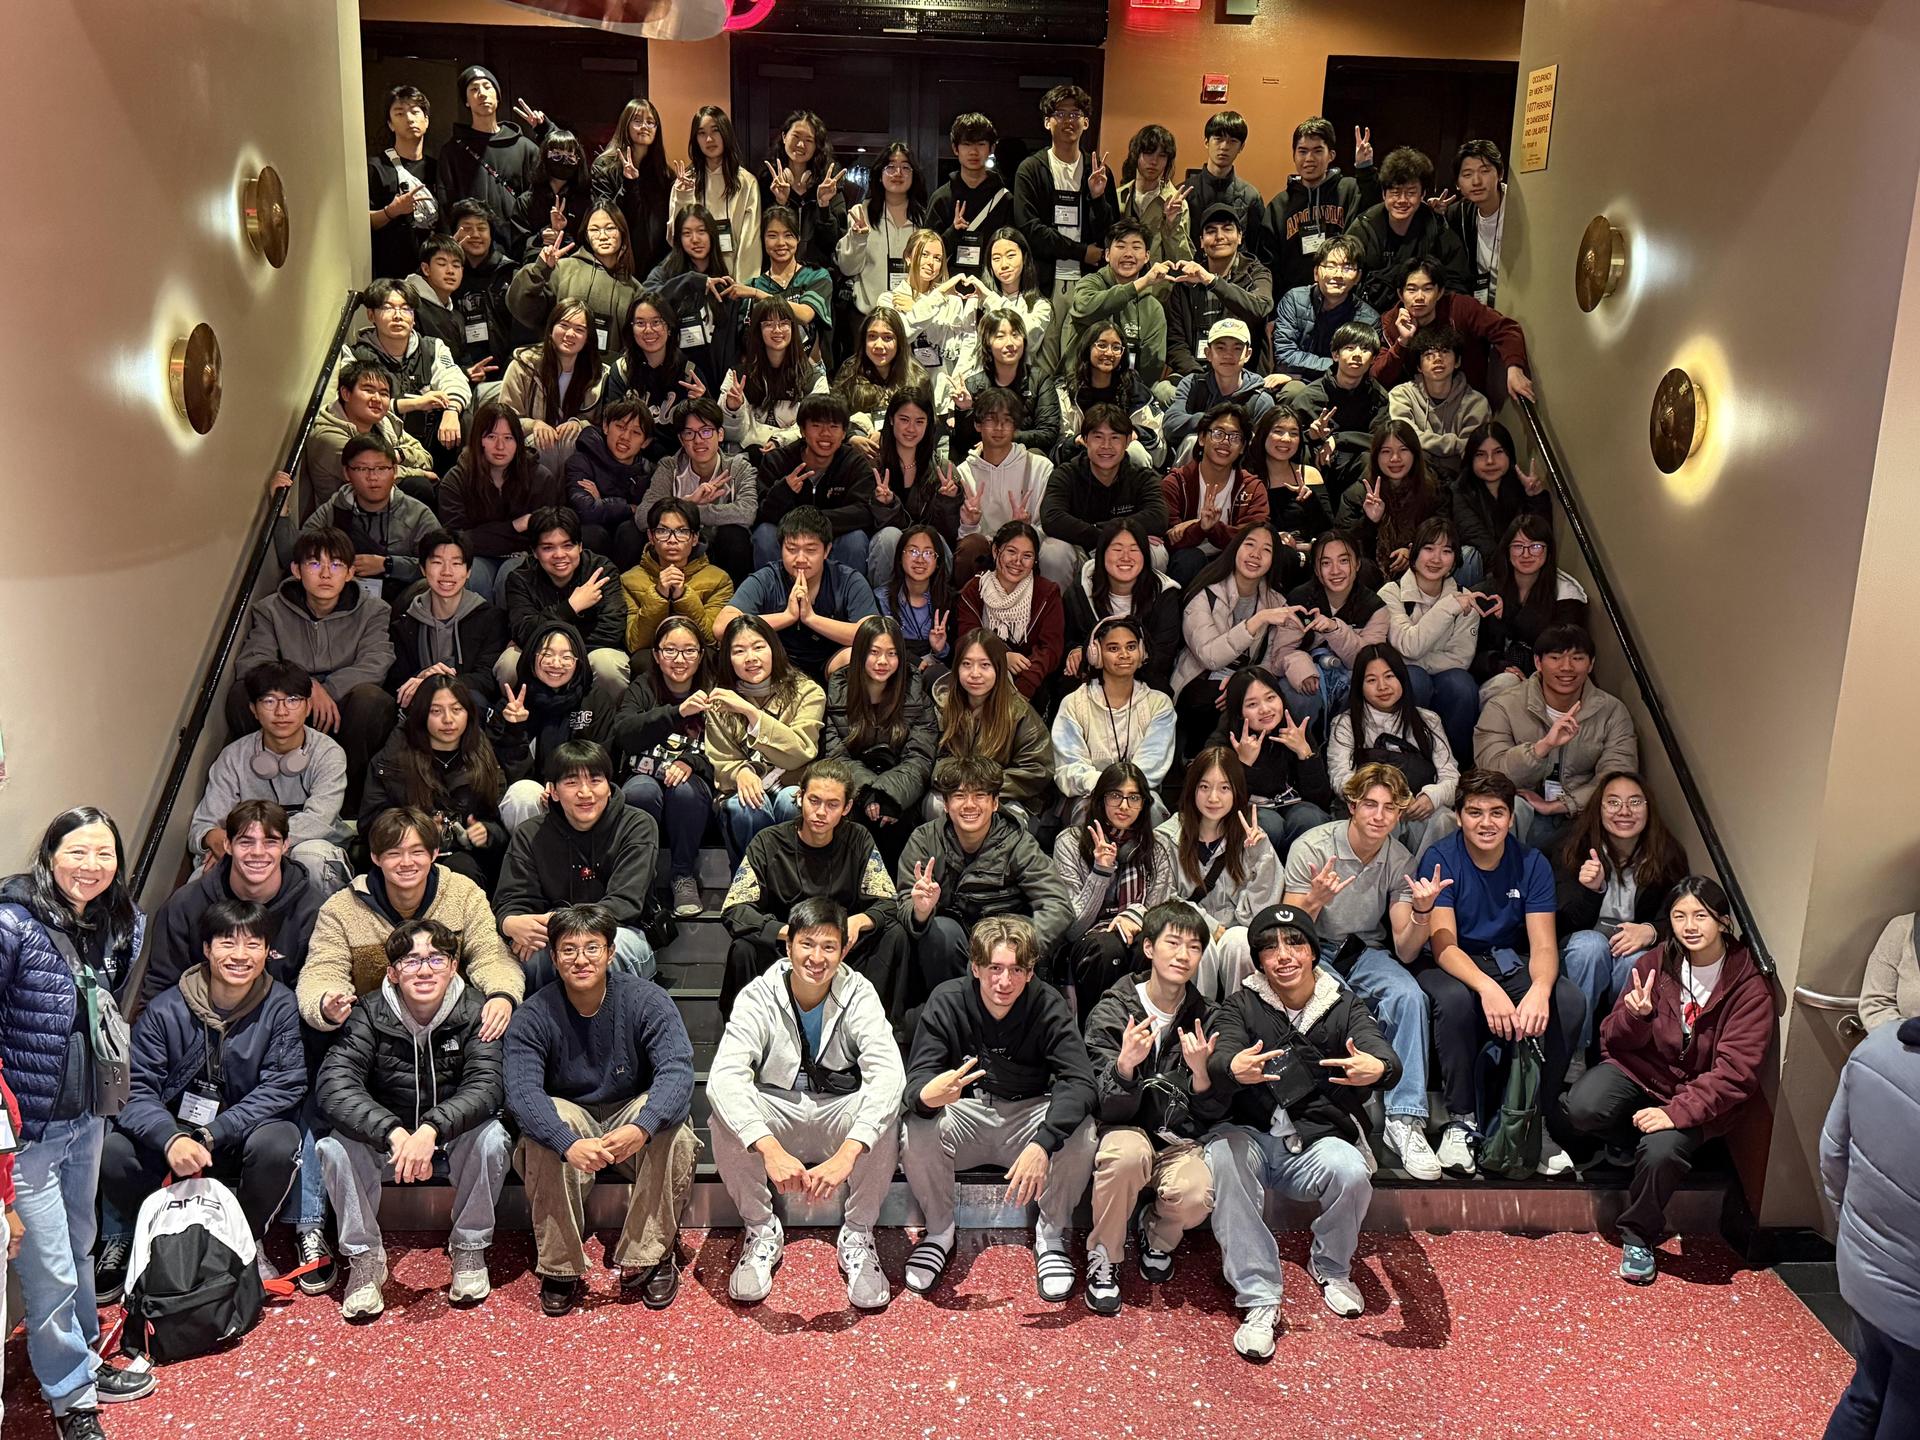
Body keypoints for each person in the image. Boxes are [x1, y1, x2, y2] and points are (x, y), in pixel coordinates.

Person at [0, 807, 158, 1429]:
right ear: (49, 854)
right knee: (50, 1266)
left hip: (86, 1115)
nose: (91, 867)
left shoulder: (120, 926)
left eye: (104, 854)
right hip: (28, 1130)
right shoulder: (12, 923)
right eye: (77, 853)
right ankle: (72, 1397)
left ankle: (83, 1360)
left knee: (82, 1245)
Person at [1203, 902, 1400, 1359]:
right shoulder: (1241, 1004)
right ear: (1259, 960)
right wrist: (1233, 1066)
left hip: (1311, 1142)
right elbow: (1220, 1055)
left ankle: (1331, 1265)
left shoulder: (1342, 1002)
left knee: (1350, 1169)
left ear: (1313, 951)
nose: (1283, 955)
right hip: (1250, 1135)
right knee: (1224, 1158)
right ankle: (1259, 1296)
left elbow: (1381, 1053)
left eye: (1294, 943)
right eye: (1270, 948)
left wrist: (1379, 1067)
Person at [1569, 878, 1771, 1284]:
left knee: (1662, 1152)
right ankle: (1630, 1148)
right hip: (1642, 1073)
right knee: (1582, 1106)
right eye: (1679, 916)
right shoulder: (1654, 964)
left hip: (1694, 1093)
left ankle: (1638, 1233)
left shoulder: (1748, 985)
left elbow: (1736, 1074)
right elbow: (1613, 1039)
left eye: (1701, 915)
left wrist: (1674, 1114)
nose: (1689, 925)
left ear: (1723, 921)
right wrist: (1636, 1016)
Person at [708, 897, 906, 1310]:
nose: (817, 958)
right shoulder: (758, 994)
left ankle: (857, 1233)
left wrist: (850, 1152)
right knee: (725, 1114)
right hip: (779, 1107)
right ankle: (761, 1230)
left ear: (844, 950)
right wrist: (769, 1147)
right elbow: (725, 1076)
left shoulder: (859, 992)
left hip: (837, 1108)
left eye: (829, 947)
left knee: (885, 1111)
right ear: (788, 945)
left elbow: (888, 1074)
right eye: (807, 944)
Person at [504, 902, 697, 1316]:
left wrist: (643, 1127)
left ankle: (652, 1254)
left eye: (592, 948)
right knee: (543, 1127)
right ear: (553, 958)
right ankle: (559, 1267)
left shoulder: (648, 1000)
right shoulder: (535, 1013)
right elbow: (521, 1091)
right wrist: (565, 1142)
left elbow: (678, 1071)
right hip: (574, 1118)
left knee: (675, 1128)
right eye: (568, 950)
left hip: (629, 1114)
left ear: (610, 953)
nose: (581, 959)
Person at [315, 918, 512, 1319]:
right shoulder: (367, 1013)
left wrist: (432, 1128)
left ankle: (470, 1248)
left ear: (453, 966)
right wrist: (392, 1131)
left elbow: (488, 1086)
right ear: (392, 972)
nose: (424, 970)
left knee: (494, 1137)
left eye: (436, 959)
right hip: (391, 1138)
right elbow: (335, 1087)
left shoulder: (477, 1011)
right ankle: (365, 1258)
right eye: (410, 961)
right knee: (334, 1146)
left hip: (451, 1134)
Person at [101, 900, 304, 1283]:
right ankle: (156, 1238)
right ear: (207, 949)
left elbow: (284, 1084)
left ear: (267, 951)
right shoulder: (166, 1010)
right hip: (177, 1139)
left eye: (253, 944)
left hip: (237, 1135)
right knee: (114, 1150)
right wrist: (171, 1138)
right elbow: (134, 1088)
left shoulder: (281, 1005)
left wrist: (215, 1132)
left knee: (281, 1141)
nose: (240, 955)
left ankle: (245, 1239)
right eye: (227, 943)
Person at [901, 915, 1099, 1301]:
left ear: (1029, 972)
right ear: (975, 967)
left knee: (1082, 1130)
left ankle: (1051, 1235)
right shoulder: (947, 999)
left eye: (1016, 970)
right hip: (968, 1112)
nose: (1004, 982)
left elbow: (1080, 1082)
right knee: (916, 1126)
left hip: (1028, 1116)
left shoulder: (1048, 1004)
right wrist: (929, 1095)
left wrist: (1043, 1143)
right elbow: (916, 1081)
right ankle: (940, 1232)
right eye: (994, 968)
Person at [1278, 763, 1446, 1179]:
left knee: (1409, 995)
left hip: (1365, 949)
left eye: (1390, 808)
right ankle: (1337, 1120)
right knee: (1331, 1003)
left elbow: (1406, 950)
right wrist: (1315, 899)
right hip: (1312, 948)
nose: (1379, 815)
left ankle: (1404, 1120)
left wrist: (1423, 913)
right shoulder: (1313, 847)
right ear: (1352, 805)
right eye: (1370, 804)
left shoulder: (1399, 857)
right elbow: (1286, 931)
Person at [1414, 768, 1584, 1179]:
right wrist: (1488, 988)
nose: (1486, 823)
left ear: (1511, 818)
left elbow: (1543, 945)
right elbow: (1444, 946)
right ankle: (1461, 1121)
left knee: (1567, 1000)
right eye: (1475, 812)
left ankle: (1534, 1122)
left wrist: (1540, 989)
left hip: (1509, 958)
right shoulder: (1440, 857)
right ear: (1458, 816)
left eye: (1497, 813)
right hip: (1454, 961)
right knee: (1456, 1001)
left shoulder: (1531, 862)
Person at [1079, 901, 1221, 1314]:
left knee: (1196, 1192)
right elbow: (1102, 1102)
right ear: (1148, 949)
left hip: (1178, 1139)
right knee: (1126, 1155)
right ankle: (1104, 1256)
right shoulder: (1113, 1008)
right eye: (1172, 943)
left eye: (1193, 947)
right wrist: (1124, 1066)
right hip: (1123, 1128)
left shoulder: (1206, 1016)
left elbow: (1213, 1110)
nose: (1182, 955)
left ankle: (1155, 1235)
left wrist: (1201, 1076)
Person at [298, 805, 523, 1038]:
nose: (406, 862)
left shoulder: (464, 893)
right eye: (394, 853)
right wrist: (326, 1002)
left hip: (451, 1030)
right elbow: (322, 970)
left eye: (417, 852)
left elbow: (491, 955)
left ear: (434, 853)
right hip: (371, 1033)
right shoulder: (340, 909)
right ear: (376, 857)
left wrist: (502, 995)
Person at [719, 759, 907, 1017]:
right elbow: (734, 909)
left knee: (894, 934)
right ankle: (743, 1034)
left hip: (841, 947)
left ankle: (877, 1027)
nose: (821, 812)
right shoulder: (768, 842)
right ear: (800, 797)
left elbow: (888, 901)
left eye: (832, 805)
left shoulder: (858, 838)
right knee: (744, 948)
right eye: (814, 801)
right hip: (786, 947)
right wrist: (791, 935)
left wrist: (858, 922)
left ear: (847, 807)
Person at [231, 530, 397, 813]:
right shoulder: (271, 609)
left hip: (343, 700)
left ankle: (350, 805)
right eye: (314, 564)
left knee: (372, 700)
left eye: (335, 565)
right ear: (296, 570)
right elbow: (253, 662)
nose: (325, 574)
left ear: (350, 573)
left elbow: (377, 660)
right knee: (239, 694)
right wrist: (305, 690)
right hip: (289, 696)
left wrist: (328, 690)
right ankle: (261, 794)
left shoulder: (374, 609)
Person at [1820, 1001, 1920, 1437]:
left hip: (1864, 1268)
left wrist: (1855, 1235)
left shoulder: (1877, 1046)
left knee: (1866, 1391)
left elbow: (1832, 1154)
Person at [897, 755, 1074, 997]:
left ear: (994, 803)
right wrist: (921, 910)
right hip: (952, 946)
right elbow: (905, 902)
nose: (969, 805)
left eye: (979, 795)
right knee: (941, 931)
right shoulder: (924, 839)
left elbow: (1058, 905)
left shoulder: (1017, 842)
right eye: (959, 796)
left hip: (1003, 940)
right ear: (946, 805)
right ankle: (949, 1010)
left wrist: (1017, 947)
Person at [496, 740, 660, 987]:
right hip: (554, 938)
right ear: (552, 791)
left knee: (599, 952)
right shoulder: (530, 834)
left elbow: (624, 903)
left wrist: (558, 923)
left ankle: (614, 1023)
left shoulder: (638, 825)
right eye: (572, 783)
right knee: (531, 955)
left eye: (595, 781)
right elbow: (513, 900)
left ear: (609, 786)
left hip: (621, 933)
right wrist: (510, 922)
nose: (585, 792)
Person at [1554, 772, 1689, 1057]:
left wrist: (1651, 931)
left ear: (1648, 808)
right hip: (1582, 942)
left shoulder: (1667, 855)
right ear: (1598, 809)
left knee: (1638, 960)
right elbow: (1560, 923)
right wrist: (1591, 891)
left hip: (1631, 944)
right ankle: (1573, 1052)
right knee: (1590, 947)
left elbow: (1682, 918)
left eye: (1635, 802)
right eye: (1613, 802)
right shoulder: (1571, 847)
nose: (1624, 811)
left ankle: (1618, 1050)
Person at [1474, 622, 1640, 852]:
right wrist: (1541, 748)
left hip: (1581, 813)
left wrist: (1560, 805)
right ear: (1538, 662)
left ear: (1591, 664)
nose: (1566, 667)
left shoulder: (1612, 711)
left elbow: (1617, 778)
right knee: (1499, 813)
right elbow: (1491, 771)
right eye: (1555, 657)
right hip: (1521, 808)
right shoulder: (1504, 706)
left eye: (1577, 658)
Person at [143, 800, 323, 1005]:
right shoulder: (185, 905)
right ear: (227, 845)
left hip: (277, 1029)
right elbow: (161, 989)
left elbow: (309, 1000)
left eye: (270, 842)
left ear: (285, 846)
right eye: (245, 842)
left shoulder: (313, 911)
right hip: (199, 1026)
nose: (257, 852)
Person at [194, 661, 351, 891]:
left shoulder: (328, 753)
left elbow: (319, 820)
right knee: (203, 874)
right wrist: (212, 836)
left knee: (313, 858)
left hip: (306, 846)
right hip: (246, 851)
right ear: (254, 710)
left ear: (308, 707)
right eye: (269, 701)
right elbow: (204, 824)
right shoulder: (233, 756)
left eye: (293, 700)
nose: (281, 712)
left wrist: (257, 844)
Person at [1053, 762, 1179, 1024]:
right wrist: (1100, 872)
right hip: (1089, 941)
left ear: (1145, 804)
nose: (1124, 806)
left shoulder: (1158, 848)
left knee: (1150, 946)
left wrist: (1134, 913)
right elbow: (1072, 928)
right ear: (1100, 799)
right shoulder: (1069, 842)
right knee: (1107, 948)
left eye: (1133, 798)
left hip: (1139, 932)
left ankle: (1149, 1035)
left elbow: (1162, 915)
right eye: (1115, 796)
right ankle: (1098, 1036)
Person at [360, 676, 512, 890]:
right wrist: (415, 829)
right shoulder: (393, 757)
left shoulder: (482, 754)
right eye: (436, 711)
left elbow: (499, 822)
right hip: (406, 855)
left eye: (456, 710)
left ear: (469, 714)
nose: (448, 720)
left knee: (462, 869)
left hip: (464, 857)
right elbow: (370, 822)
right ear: (422, 715)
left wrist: (487, 832)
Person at [609, 616, 715, 918]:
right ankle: (643, 877)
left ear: (701, 654)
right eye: (670, 651)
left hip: (693, 785)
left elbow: (729, 748)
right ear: (656, 655)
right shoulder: (643, 687)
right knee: (640, 792)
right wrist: (677, 712)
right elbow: (625, 734)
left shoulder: (714, 690)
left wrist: (691, 761)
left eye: (689, 651)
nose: (679, 659)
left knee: (684, 792)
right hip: (643, 774)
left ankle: (682, 875)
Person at [1170, 524, 1307, 756]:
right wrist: (1257, 620)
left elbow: (1271, 661)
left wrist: (1242, 682)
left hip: (1243, 681)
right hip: (1199, 678)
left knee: (1258, 702)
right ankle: (1198, 759)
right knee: (1217, 701)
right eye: (1250, 545)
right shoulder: (1205, 593)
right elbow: (1210, 657)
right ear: (1235, 549)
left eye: (1266, 550)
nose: (1255, 555)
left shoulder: (1276, 601)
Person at [1157, 748, 1283, 991]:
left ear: (1236, 792)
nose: (1213, 797)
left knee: (1240, 943)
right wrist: (1211, 928)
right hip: (1185, 928)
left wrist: (1261, 856)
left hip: (1236, 931)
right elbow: (1164, 898)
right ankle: (1195, 1018)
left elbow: (1262, 913)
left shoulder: (1253, 839)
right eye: (1204, 787)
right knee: (1196, 945)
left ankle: (1238, 1021)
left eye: (1224, 788)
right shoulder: (1166, 837)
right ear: (1192, 789)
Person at [704, 613, 828, 860]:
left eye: (758, 647)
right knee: (746, 806)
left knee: (788, 801)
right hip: (742, 792)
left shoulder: (807, 692)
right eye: (739, 651)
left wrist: (751, 713)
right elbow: (720, 760)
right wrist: (741, 772)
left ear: (774, 649)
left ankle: (793, 882)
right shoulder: (720, 699)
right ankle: (750, 885)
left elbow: (800, 752)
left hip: (792, 782)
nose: (750, 658)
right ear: (728, 659)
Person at [819, 617, 937, 867]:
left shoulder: (915, 694)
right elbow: (836, 756)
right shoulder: (838, 693)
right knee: (850, 816)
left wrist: (888, 795)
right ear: (860, 653)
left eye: (892, 654)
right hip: (856, 791)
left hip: (903, 792)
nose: (883, 662)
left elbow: (920, 757)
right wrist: (869, 794)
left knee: (899, 820)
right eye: (874, 652)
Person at [1326, 644, 1459, 858]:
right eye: (1371, 680)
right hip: (1370, 808)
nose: (1382, 686)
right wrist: (1383, 802)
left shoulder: (1428, 721)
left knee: (1444, 818)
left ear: (1402, 678)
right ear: (1359, 686)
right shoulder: (1345, 724)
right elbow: (1340, 777)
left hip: (1417, 808)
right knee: (1382, 820)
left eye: (1389, 676)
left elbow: (1452, 777)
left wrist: (1431, 797)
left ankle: (1428, 885)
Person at [723, 506, 879, 681]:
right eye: (791, 549)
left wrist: (810, 618)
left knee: (861, 655)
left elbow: (872, 635)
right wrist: (787, 616)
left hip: (830, 662)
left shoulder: (848, 579)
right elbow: (722, 627)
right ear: (781, 548)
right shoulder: (767, 578)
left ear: (827, 551)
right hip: (777, 663)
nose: (800, 559)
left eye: (811, 550)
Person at [278, 436, 438, 605]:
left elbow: (440, 566)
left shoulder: (418, 514)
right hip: (341, 600)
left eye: (382, 468)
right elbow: (294, 558)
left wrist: (388, 565)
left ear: (395, 471)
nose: (373, 477)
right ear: (347, 473)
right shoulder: (334, 509)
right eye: (362, 469)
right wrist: (282, 511)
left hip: (398, 603)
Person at [494, 620, 625, 828]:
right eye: (547, 654)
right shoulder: (513, 704)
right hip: (536, 799)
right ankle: (528, 859)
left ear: (578, 662)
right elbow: (505, 775)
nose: (556, 664)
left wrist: (563, 788)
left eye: (566, 656)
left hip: (581, 794)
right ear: (531, 657)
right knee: (523, 794)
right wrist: (515, 729)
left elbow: (603, 760)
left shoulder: (595, 700)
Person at [436, 402, 563, 603]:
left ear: (519, 441)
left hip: (524, 554)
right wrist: (515, 527)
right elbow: (456, 541)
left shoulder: (540, 477)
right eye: (491, 437)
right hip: (475, 556)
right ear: (478, 440)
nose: (500, 446)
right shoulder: (456, 480)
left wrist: (481, 536)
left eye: (508, 438)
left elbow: (543, 534)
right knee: (473, 580)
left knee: (512, 580)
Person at [1378, 515, 1481, 760]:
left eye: (1446, 551)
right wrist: (1448, 607)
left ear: (1456, 558)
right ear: (1413, 552)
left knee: (1463, 686)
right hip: (1406, 675)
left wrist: (1417, 662)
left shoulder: (1465, 597)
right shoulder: (1391, 593)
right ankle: (1408, 761)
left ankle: (1457, 767)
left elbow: (1460, 659)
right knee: (1415, 680)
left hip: (1443, 675)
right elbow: (1408, 645)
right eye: (1428, 548)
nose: (1436, 559)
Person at [1011, 83, 1118, 317]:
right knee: (1043, 352)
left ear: (1086, 122)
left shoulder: (1099, 170)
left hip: (1089, 282)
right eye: (1059, 114)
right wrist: (1080, 251)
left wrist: (1098, 198)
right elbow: (1030, 229)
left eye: (1075, 114)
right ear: (1047, 122)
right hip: (1042, 282)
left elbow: (1111, 232)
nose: (1068, 120)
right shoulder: (1031, 170)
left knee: (1083, 351)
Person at [1052, 616, 1176, 816]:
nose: (1124, 654)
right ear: (1096, 654)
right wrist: (1107, 791)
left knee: (1153, 811)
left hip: (1139, 795)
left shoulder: (1159, 705)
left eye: (1131, 647)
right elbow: (1070, 767)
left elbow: (1153, 765)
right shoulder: (1074, 703)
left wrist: (1124, 795)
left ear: (1142, 652)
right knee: (1086, 811)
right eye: (1113, 648)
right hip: (1088, 795)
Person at [750, 394, 886, 577]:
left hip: (834, 536)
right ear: (803, 430)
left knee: (855, 539)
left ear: (844, 433)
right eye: (816, 425)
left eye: (834, 426)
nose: (825, 434)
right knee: (765, 534)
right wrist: (784, 491)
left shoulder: (854, 464)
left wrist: (814, 522)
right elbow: (761, 512)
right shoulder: (778, 461)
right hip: (789, 537)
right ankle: (776, 599)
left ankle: (843, 602)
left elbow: (863, 512)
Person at [499, 506, 631, 692]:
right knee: (509, 663)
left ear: (580, 546)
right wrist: (570, 608)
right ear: (535, 552)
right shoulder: (520, 579)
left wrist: (564, 654)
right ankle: (520, 719)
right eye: (548, 548)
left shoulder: (601, 570)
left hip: (590, 650)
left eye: (568, 545)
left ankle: (608, 720)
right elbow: (522, 631)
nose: (559, 555)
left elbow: (612, 630)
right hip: (540, 654)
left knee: (607, 665)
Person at [1370, 260, 1534, 411]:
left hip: (1467, 400)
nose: (1419, 297)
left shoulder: (1460, 307)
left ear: (1440, 292)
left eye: (1427, 289)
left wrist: (1514, 369)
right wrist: (1403, 341)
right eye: (1411, 290)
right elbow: (1379, 377)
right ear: (1400, 294)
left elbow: (1506, 329)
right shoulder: (1392, 321)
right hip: (1419, 406)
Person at [1208, 666, 1333, 859]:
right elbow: (1219, 803)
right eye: (1252, 704)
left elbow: (1321, 801)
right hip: (1253, 811)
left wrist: (1305, 753)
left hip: (1295, 806)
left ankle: (1299, 880)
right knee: (1268, 825)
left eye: (1270, 698)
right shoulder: (1227, 738)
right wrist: (1243, 764)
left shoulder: (1296, 728)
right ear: (1239, 712)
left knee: (1309, 817)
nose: (1265, 709)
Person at [931, 631, 1055, 822]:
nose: (975, 673)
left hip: (1003, 796)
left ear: (999, 668)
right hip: (955, 789)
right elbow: (933, 757)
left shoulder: (1018, 713)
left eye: (985, 665)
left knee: (1006, 819)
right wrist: (960, 784)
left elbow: (1037, 768)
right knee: (935, 805)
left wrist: (982, 787)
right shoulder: (943, 706)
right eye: (966, 664)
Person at [346, 279, 471, 466]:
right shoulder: (358, 356)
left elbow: (454, 379)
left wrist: (452, 410)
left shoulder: (432, 347)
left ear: (413, 316)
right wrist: (414, 404)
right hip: (388, 441)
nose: (398, 316)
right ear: (371, 315)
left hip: (432, 437)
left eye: (406, 309)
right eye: (388, 308)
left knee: (463, 417)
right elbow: (357, 406)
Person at [1040, 409, 1169, 586]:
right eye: (1098, 437)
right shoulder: (1066, 473)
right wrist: (1107, 534)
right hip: (1080, 547)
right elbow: (1052, 518)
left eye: (1115, 437)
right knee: (1053, 551)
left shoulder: (1143, 477)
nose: (1106, 445)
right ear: (1084, 440)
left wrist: (1106, 533)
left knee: (1156, 552)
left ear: (1128, 441)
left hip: (1123, 549)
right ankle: (1059, 612)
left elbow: (1158, 517)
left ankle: (1139, 612)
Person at [1470, 512, 1590, 699]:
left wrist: (1507, 618)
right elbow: (1471, 652)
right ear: (1507, 550)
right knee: (1506, 684)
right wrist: (1499, 666)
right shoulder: (1487, 590)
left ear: (1548, 550)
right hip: (1496, 677)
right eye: (1518, 546)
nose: (1526, 554)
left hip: (1547, 678)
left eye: (1535, 547)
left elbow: (1562, 650)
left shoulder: (1566, 595)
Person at [1281, 529, 1390, 733]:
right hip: (1305, 672)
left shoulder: (1375, 607)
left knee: (1362, 693)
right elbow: (1281, 652)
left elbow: (1369, 663)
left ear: (1357, 564)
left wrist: (1335, 629)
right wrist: (1303, 669)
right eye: (1325, 563)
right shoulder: (1299, 599)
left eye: (1343, 561)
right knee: (1300, 697)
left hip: (1352, 677)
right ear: (1315, 568)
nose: (1335, 570)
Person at [640, 397, 759, 583]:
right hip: (676, 544)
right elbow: (642, 516)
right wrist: (687, 503)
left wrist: (690, 511)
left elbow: (747, 512)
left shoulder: (738, 467)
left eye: (706, 431)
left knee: (735, 535)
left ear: (720, 434)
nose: (698, 440)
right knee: (628, 532)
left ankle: (734, 606)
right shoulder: (669, 467)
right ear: (681, 439)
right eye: (689, 433)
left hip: (720, 547)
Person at [387, 529, 510, 706]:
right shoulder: (405, 621)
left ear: (468, 571)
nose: (447, 572)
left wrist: (439, 682)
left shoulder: (490, 618)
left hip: (468, 708)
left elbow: (487, 680)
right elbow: (395, 681)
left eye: (456, 563)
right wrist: (422, 676)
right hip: (418, 709)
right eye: (437, 562)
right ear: (423, 568)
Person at [1061, 516, 1182, 695]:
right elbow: (1069, 638)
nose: (1125, 557)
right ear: (1102, 553)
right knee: (1068, 682)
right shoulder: (1081, 590)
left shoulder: (1164, 594)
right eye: (1117, 549)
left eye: (1134, 550)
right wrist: (1076, 651)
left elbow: (1162, 656)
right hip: (1092, 672)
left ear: (1145, 555)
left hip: (1144, 676)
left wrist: (1118, 666)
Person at [1259, 116, 1380, 293]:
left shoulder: (1350, 190)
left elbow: (1375, 209)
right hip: (1294, 301)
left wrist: (1365, 169)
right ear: (1293, 155)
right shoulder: (1279, 205)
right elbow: (1268, 263)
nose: (1309, 158)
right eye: (1302, 151)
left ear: (1331, 155)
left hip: (1342, 296)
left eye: (1317, 151)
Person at [1043, 220, 1170, 388]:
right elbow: (1086, 307)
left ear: (1147, 256)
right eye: (1121, 246)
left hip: (1128, 391)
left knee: (1164, 391)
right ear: (1107, 254)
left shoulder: (1153, 308)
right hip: (1080, 386)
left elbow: (1151, 365)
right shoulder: (1089, 285)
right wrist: (1141, 284)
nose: (1128, 254)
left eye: (1136, 247)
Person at [1343, 147, 1471, 311]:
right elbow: (1345, 275)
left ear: (1423, 194)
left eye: (1411, 192)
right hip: (1370, 316)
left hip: (1424, 316)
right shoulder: (1364, 227)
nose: (1402, 200)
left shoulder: (1436, 226)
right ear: (1384, 194)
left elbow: (1457, 281)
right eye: (1395, 192)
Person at [304, 362, 437, 515]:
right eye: (368, 390)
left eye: (384, 393)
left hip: (385, 506)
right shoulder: (327, 436)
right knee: (419, 486)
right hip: (347, 515)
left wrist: (398, 454)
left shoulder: (385, 421)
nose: (377, 399)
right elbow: (374, 475)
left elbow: (426, 459)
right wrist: (421, 473)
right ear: (346, 393)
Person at [1162, 399, 1270, 584]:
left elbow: (1253, 537)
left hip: (1232, 561)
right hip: (1187, 562)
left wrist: (1210, 527)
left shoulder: (1252, 487)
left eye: (1235, 437)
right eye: (1218, 433)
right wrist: (1200, 527)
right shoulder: (1175, 483)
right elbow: (1169, 540)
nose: (1225, 442)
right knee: (1189, 559)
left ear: (1243, 447)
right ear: (1202, 438)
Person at [956, 521, 1064, 704]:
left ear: (1035, 560)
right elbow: (966, 640)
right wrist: (1001, 657)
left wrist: (1024, 688)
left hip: (1029, 684)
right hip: (980, 676)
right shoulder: (975, 589)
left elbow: (1050, 649)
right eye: (1011, 552)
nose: (1018, 562)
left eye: (1027, 556)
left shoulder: (1047, 592)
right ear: (996, 551)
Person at [1039, 321, 1167, 472]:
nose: (1109, 353)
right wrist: (1077, 442)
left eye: (1116, 347)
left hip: (1127, 475)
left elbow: (1161, 454)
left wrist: (1138, 432)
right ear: (1088, 348)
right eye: (1102, 345)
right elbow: (1054, 452)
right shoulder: (1067, 392)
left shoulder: (1137, 393)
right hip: (1080, 470)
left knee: (1135, 451)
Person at [436, 67, 541, 250]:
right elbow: (446, 205)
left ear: (498, 96)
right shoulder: (452, 151)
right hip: (470, 249)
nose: (482, 94)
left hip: (518, 246)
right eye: (474, 89)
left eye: (487, 87)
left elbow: (539, 200)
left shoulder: (525, 148)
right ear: (466, 101)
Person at [954, 388, 1054, 580]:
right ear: (977, 424)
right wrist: (970, 524)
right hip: (983, 553)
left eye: (1007, 420)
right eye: (991, 419)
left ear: (1016, 426)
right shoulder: (964, 472)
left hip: (1026, 554)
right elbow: (963, 537)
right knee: (970, 545)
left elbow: (1047, 529)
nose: (999, 428)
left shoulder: (1039, 467)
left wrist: (1025, 530)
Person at [1165, 204, 1275, 378]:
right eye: (1211, 231)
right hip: (1195, 374)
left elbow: (1260, 308)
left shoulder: (1256, 273)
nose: (1219, 236)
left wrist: (1211, 281)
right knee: (1164, 391)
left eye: (1227, 229)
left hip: (1244, 376)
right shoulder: (1185, 281)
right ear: (1201, 241)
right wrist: (1199, 377)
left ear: (1239, 237)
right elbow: (1175, 343)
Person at [867, 386, 960, 587]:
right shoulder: (873, 466)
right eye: (904, 419)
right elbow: (866, 527)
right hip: (888, 551)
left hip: (930, 553)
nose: (911, 429)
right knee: (889, 537)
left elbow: (950, 534)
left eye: (919, 422)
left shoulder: (943, 469)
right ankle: (883, 614)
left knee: (933, 542)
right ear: (891, 419)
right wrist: (885, 506)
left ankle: (932, 610)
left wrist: (947, 502)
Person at [498, 298, 607, 469]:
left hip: (573, 452)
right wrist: (534, 425)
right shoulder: (523, 364)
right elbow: (505, 417)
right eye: (564, 325)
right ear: (551, 329)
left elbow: (601, 425)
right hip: (530, 448)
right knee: (543, 445)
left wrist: (579, 424)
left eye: (579, 330)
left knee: (573, 443)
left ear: (588, 338)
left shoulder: (597, 375)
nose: (570, 334)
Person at [619, 496, 734, 653]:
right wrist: (658, 595)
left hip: (698, 656)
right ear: (651, 537)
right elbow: (635, 643)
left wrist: (683, 596)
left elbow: (712, 640)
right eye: (662, 531)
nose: (672, 540)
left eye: (682, 531)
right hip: (652, 658)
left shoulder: (719, 580)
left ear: (694, 538)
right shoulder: (629, 580)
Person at [1337, 419, 1443, 582]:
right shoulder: (1357, 494)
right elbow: (1344, 549)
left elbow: (1442, 534)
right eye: (1386, 451)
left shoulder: (1433, 491)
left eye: (1403, 450)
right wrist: (1371, 522)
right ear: (1376, 456)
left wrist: (1413, 552)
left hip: (1421, 574)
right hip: (1371, 579)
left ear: (1415, 453)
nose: (1395, 458)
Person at [830, 307, 942, 459]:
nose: (879, 345)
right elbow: (833, 416)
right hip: (857, 459)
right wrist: (851, 437)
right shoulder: (849, 371)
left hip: (905, 459)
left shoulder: (917, 377)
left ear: (899, 341)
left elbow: (929, 426)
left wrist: (888, 436)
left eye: (887, 337)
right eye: (872, 336)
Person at [1290, 320, 1389, 491]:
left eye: (1365, 350)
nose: (1357, 355)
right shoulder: (1310, 396)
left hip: (1354, 465)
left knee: (1371, 459)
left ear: (1373, 359)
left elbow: (1381, 440)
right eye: (1350, 348)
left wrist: (1337, 439)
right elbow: (1286, 437)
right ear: (1335, 355)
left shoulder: (1378, 396)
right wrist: (1311, 435)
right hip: (1316, 464)